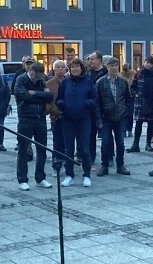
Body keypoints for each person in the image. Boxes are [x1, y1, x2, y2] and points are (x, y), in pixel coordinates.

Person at [56, 58, 95, 187]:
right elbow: (59, 98)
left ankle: (87, 175)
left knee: (84, 148)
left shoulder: (88, 83)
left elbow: (94, 100)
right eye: (72, 67)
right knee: (69, 148)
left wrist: (86, 104)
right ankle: (69, 175)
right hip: (68, 120)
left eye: (77, 67)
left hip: (83, 119)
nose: (75, 69)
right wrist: (61, 104)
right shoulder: (65, 83)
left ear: (81, 68)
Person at [14, 62, 53, 191]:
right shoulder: (21, 79)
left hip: (40, 118)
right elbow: (22, 96)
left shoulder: (41, 80)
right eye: (37, 76)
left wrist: (34, 93)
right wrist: (40, 95)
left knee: (42, 149)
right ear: (31, 72)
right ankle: (22, 179)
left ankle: (40, 177)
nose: (39, 79)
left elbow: (49, 96)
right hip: (26, 118)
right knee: (23, 149)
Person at [94, 57, 131, 177]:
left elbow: (127, 99)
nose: (114, 68)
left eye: (116, 65)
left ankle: (120, 165)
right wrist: (98, 119)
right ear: (107, 67)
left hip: (120, 117)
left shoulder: (123, 82)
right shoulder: (101, 82)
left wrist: (125, 112)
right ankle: (104, 165)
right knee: (105, 143)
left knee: (120, 143)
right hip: (106, 117)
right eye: (111, 66)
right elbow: (97, 102)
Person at [127, 56, 153, 152]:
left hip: (151, 101)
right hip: (140, 102)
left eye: (150, 63)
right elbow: (133, 86)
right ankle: (135, 144)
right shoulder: (139, 73)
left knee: (151, 124)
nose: (148, 64)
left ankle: (148, 144)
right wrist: (135, 94)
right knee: (138, 123)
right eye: (147, 62)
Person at [46, 59, 68, 176]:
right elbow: (47, 101)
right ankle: (56, 165)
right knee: (57, 142)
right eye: (58, 67)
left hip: (69, 117)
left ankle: (67, 164)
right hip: (56, 117)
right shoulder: (49, 84)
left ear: (65, 69)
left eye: (62, 67)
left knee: (67, 142)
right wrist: (53, 110)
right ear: (53, 70)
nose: (60, 69)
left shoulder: (69, 81)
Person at [87, 51, 108, 163]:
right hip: (91, 108)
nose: (90, 61)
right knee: (90, 134)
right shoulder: (88, 73)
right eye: (89, 59)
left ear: (99, 60)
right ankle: (91, 156)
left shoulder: (106, 72)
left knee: (106, 135)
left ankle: (108, 157)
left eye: (92, 59)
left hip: (103, 108)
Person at [120, 63, 137, 137]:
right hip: (123, 97)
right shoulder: (121, 75)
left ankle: (129, 130)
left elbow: (134, 85)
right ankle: (124, 130)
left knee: (130, 114)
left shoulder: (133, 74)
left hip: (131, 96)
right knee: (124, 114)